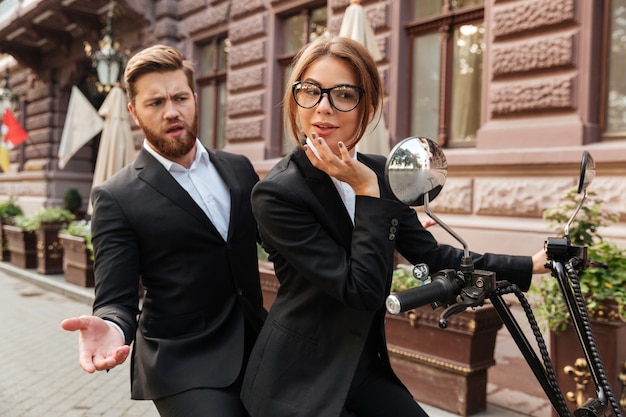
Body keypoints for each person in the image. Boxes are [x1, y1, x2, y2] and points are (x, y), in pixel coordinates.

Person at [239, 35, 548, 417]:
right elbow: (360, 290)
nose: (323, 108)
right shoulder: (276, 193)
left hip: (362, 366)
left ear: (366, 105)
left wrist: (530, 264)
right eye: (310, 91)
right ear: (294, 99)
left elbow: (433, 255)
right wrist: (367, 191)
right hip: (300, 378)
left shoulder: (382, 171)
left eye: (344, 95)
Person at [61, 44, 267, 417]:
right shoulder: (115, 196)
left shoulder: (239, 169)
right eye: (155, 103)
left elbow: (281, 244)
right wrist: (112, 327)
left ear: (194, 98)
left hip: (258, 342)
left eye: (179, 97)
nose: (171, 111)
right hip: (182, 360)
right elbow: (116, 298)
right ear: (134, 112)